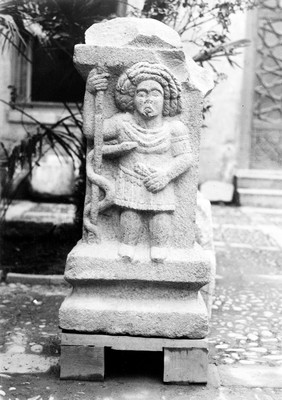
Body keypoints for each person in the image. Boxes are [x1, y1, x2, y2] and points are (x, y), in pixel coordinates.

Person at [86, 62, 193, 262]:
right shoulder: (122, 123)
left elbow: (185, 157)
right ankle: (128, 246)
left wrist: (166, 175)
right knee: (129, 216)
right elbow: (92, 132)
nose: (148, 99)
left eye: (155, 94)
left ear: (166, 99)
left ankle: (159, 248)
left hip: (159, 183)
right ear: (131, 98)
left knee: (160, 219)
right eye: (141, 93)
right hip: (129, 179)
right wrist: (90, 93)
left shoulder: (174, 128)